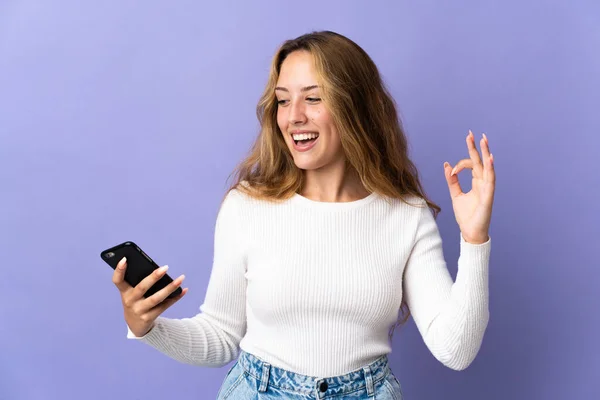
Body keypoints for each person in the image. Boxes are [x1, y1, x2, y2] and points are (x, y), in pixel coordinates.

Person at [111, 31, 495, 399]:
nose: (293, 116)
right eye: (282, 100)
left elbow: (455, 350)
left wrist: (474, 239)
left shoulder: (406, 215)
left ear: (355, 107)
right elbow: (221, 336)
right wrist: (145, 326)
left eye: (313, 98)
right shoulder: (247, 206)